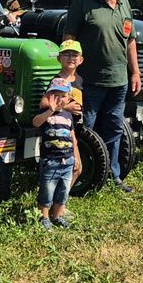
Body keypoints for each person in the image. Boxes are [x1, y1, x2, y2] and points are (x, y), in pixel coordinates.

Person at [63, 0, 140, 192]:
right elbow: (69, 37)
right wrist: (69, 72)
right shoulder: (83, 2)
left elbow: (130, 41)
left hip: (119, 80)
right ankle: (83, 176)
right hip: (90, 80)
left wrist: (135, 72)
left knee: (114, 128)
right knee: (86, 128)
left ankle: (112, 176)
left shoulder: (124, 3)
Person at [32, 78, 80, 230]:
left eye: (63, 96)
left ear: (69, 98)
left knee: (63, 191)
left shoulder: (68, 115)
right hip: (51, 160)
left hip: (67, 160)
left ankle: (58, 216)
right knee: (47, 189)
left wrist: (75, 157)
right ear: (49, 97)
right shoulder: (46, 113)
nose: (59, 99)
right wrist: (49, 111)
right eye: (55, 96)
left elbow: (72, 138)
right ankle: (44, 217)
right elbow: (35, 122)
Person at [39, 40, 85, 189]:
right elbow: (44, 103)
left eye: (74, 55)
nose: (71, 58)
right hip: (60, 130)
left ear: (80, 60)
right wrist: (66, 107)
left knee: (76, 168)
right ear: (59, 58)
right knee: (70, 168)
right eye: (66, 54)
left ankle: (61, 198)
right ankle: (56, 199)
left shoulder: (79, 80)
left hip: (74, 128)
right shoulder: (57, 81)